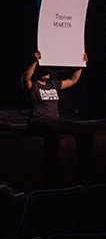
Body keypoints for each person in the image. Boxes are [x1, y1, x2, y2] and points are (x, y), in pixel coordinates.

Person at [22, 50, 94, 187]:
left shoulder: (52, 84)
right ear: (37, 71)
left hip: (54, 121)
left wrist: (81, 64)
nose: (47, 72)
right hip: (38, 122)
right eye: (43, 69)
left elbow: (73, 80)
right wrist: (35, 61)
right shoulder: (33, 86)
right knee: (52, 132)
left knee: (85, 131)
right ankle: (52, 174)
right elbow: (25, 79)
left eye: (47, 69)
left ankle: (84, 169)